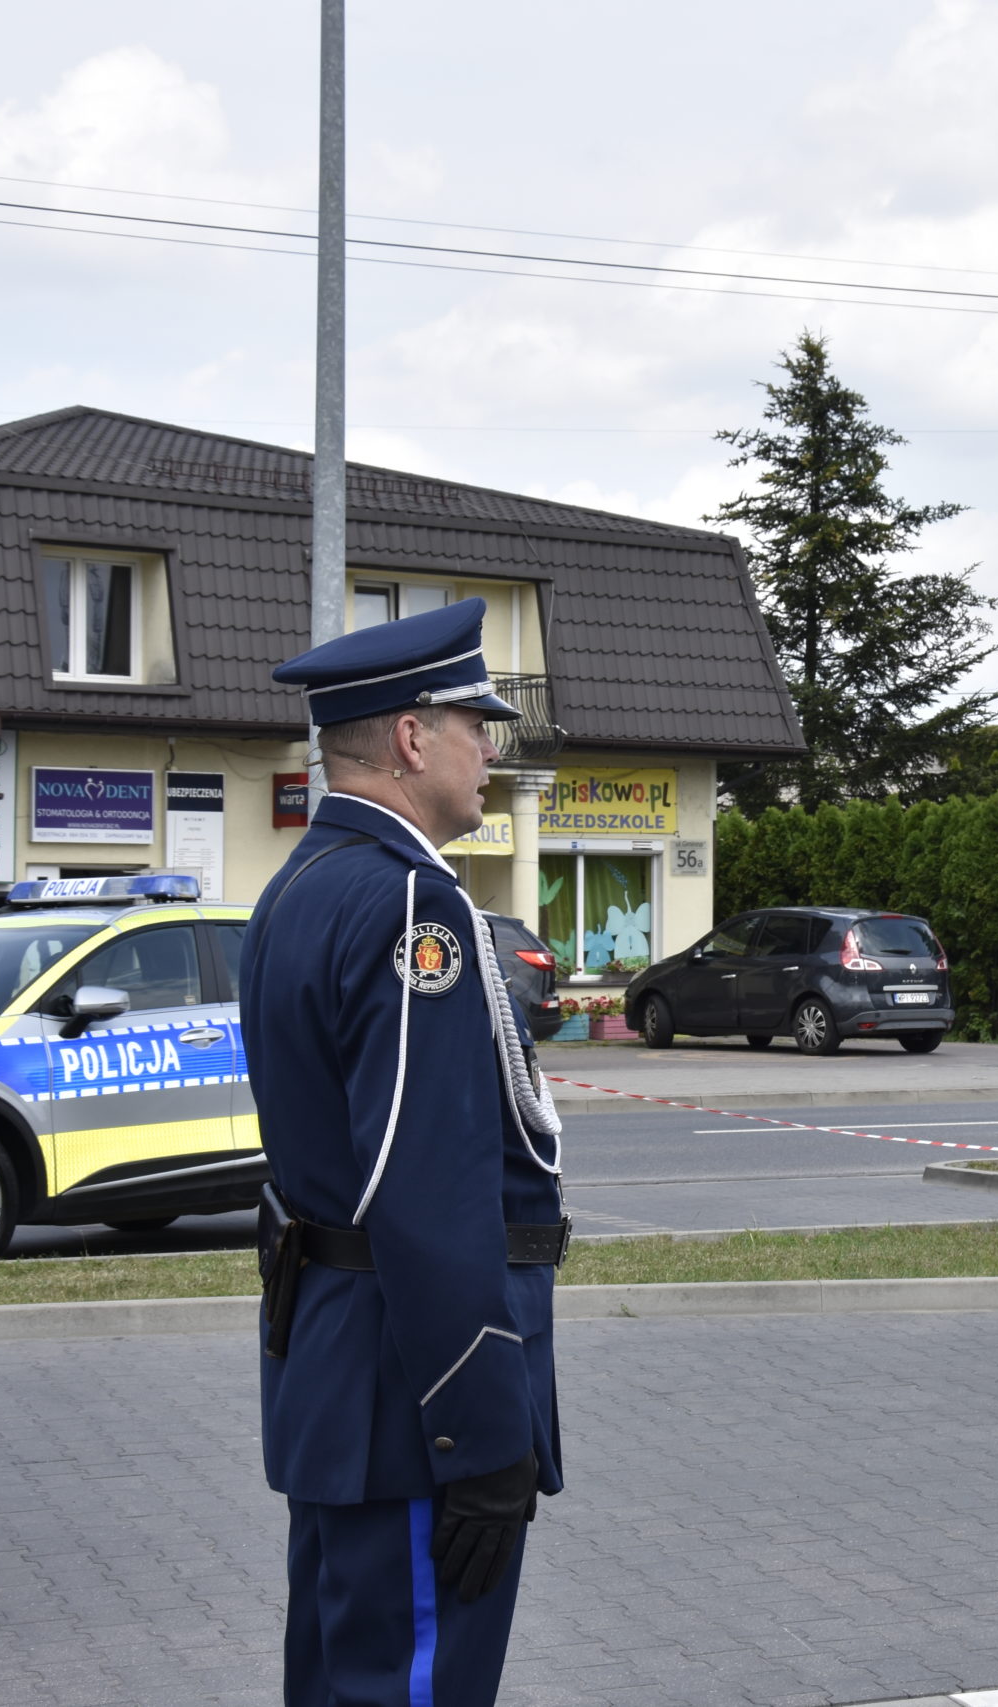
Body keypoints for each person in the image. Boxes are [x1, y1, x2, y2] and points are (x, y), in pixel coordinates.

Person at [242, 597, 567, 1707]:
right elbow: (421, 1185)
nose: (491, 749)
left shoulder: (302, 884)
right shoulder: (412, 900)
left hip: (345, 1374)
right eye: (476, 723)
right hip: (414, 1399)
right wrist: (481, 1430)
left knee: (342, 1679)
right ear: (413, 737)